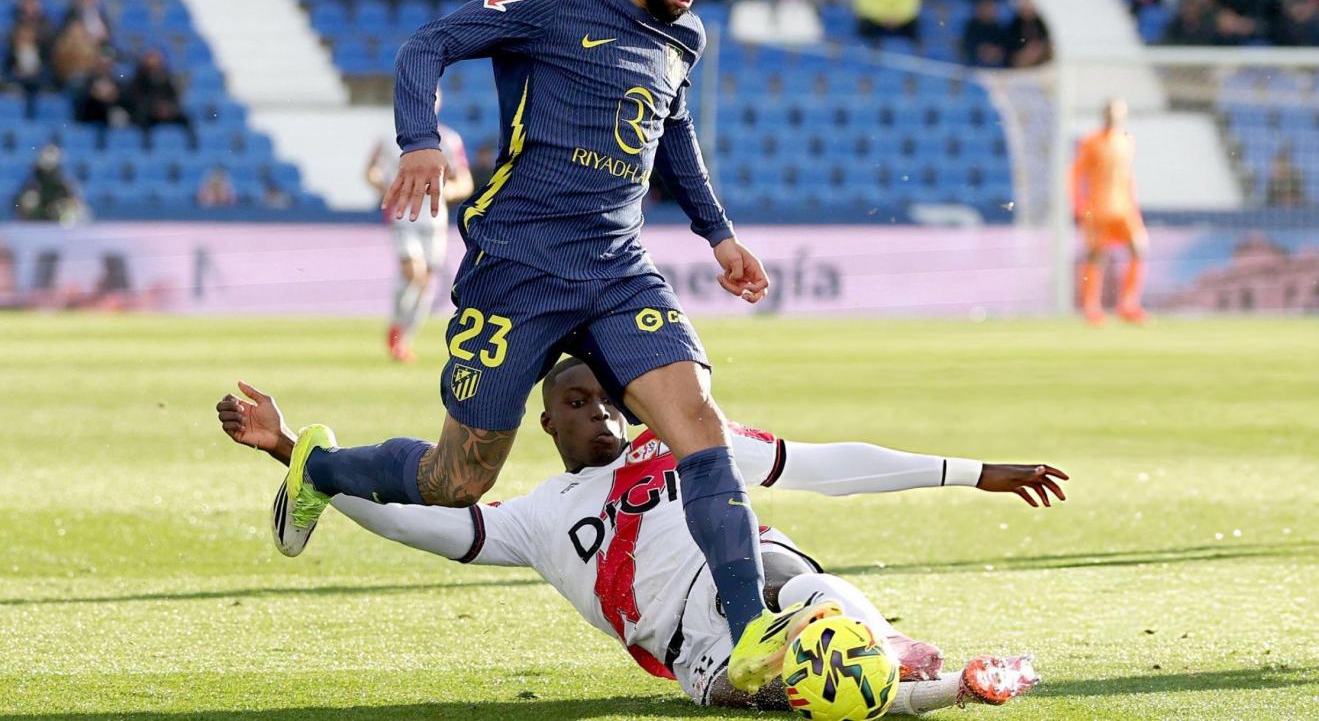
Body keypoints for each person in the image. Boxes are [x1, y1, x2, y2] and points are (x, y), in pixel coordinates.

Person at [277, 0, 817, 696]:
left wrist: (718, 234)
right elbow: (429, 45)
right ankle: (321, 467)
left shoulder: (685, 36)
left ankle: (749, 630)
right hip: (519, 267)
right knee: (456, 480)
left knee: (698, 425)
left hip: (616, 268)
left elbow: (671, 135)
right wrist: (420, 139)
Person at [218, 358, 1059, 711]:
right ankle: (944, 686)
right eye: (576, 403)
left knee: (794, 584)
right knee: (802, 698)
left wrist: (974, 470)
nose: (600, 412)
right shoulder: (541, 515)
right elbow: (420, 525)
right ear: (543, 421)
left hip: (757, 591)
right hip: (693, 655)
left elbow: (822, 464)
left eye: (608, 398)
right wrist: (294, 454)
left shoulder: (681, 444)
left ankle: (885, 647)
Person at [365, 86, 474, 363]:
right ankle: (396, 330)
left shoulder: (449, 140)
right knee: (413, 271)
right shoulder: (391, 137)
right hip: (403, 213)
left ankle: (404, 336)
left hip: (434, 217)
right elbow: (370, 170)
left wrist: (446, 191)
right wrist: (385, 187)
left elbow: (465, 181)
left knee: (425, 282)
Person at [1071, 98, 1148, 325]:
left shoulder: (1127, 140)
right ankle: (1091, 308)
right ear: (1103, 114)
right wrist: (1078, 205)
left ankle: (1128, 304)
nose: (1112, 115)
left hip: (1124, 207)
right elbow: (1076, 174)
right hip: (1098, 207)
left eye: (1117, 112)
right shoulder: (1090, 141)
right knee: (1096, 255)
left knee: (1139, 248)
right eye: (1109, 111)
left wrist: (1134, 204)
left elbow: (1127, 176)